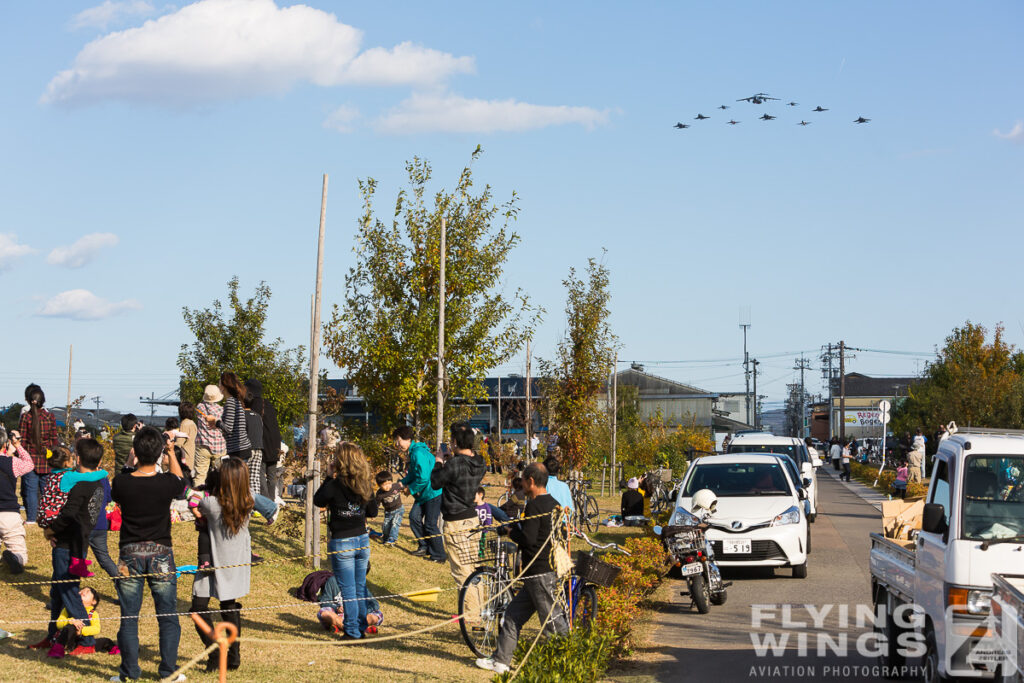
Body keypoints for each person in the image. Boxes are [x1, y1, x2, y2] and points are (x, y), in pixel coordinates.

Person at [109, 426, 186, 683]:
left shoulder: (122, 482)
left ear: (136, 451)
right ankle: (168, 672)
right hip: (161, 551)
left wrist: (130, 461)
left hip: (129, 552)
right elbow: (180, 483)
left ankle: (129, 673)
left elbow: (119, 483)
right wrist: (172, 451)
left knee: (129, 616)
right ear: (159, 454)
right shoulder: (165, 483)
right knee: (167, 614)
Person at [475, 463, 567, 675]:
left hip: (541, 573)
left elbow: (528, 539)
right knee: (512, 615)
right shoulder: (553, 504)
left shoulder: (534, 505)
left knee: (553, 622)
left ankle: (571, 659)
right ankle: (500, 661)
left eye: (523, 480)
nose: (522, 484)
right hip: (538, 574)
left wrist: (509, 531)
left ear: (531, 481)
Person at [36, 440, 106, 656]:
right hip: (79, 542)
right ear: (100, 461)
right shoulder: (99, 482)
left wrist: (51, 531)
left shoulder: (78, 483)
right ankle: (53, 635)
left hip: (67, 543)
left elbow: (68, 514)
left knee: (68, 591)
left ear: (77, 458)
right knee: (57, 591)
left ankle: (87, 639)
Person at [190, 457, 253, 671]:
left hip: (211, 563)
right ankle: (233, 657)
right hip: (235, 564)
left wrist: (203, 488)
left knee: (198, 610)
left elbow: (194, 500)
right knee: (228, 607)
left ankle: (216, 653)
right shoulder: (248, 502)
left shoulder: (212, 504)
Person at [313, 441, 379, 639]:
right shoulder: (365, 484)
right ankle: (359, 628)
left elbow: (318, 501)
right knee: (359, 587)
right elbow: (373, 511)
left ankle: (352, 632)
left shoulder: (334, 485)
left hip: (342, 542)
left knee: (349, 590)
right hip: (362, 540)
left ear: (340, 461)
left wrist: (327, 476)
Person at [431, 422, 487, 591]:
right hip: (472, 518)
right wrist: (451, 458)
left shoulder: (454, 464)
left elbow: (435, 482)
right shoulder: (480, 462)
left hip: (455, 521)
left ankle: (470, 616)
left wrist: (439, 462)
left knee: (462, 572)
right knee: (473, 568)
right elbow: (465, 464)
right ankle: (476, 609)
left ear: (455, 442)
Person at [395, 426, 444, 562]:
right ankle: (424, 546)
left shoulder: (417, 453)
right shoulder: (413, 452)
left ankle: (439, 555)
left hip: (432, 493)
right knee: (414, 518)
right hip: (423, 494)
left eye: (399, 441)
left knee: (430, 525)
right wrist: (402, 482)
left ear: (408, 439)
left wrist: (409, 489)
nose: (397, 445)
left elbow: (423, 478)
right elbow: (413, 474)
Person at [18, 384, 59, 523]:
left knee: (30, 490)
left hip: (30, 458)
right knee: (47, 490)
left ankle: (31, 518)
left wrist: (21, 457)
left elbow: (22, 440)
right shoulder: (50, 417)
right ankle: (48, 517)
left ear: (29, 401)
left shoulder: (25, 417)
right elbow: (54, 440)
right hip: (47, 458)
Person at [244, 379, 281, 503]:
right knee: (271, 476)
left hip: (262, 443)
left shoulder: (253, 404)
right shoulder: (268, 403)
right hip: (275, 444)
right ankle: (272, 499)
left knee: (259, 473)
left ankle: (266, 501)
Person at [0, 427, 31, 573]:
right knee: (20, 553)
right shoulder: (12, 462)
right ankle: (15, 559)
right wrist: (18, 445)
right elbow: (29, 464)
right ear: (5, 444)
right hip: (9, 514)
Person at [48, 586, 102, 659]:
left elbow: (96, 629)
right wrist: (69, 621)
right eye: (81, 590)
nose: (82, 592)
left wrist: (81, 631)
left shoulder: (93, 614)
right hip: (68, 639)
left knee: (104, 641)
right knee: (71, 627)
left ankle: (112, 647)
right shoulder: (68, 609)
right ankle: (58, 649)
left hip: (83, 641)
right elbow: (58, 623)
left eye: (87, 591)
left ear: (94, 601)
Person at [194, 384, 226, 486]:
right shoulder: (222, 410)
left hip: (203, 445)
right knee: (221, 475)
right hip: (219, 446)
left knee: (200, 475)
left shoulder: (200, 408)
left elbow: (200, 405)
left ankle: (196, 499)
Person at [242, 393, 264, 503]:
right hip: (259, 448)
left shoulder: (241, 416)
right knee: (255, 478)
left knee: (242, 478)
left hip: (246, 449)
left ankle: (244, 502)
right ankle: (256, 504)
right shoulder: (258, 416)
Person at [375, 471, 404, 547]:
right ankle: (386, 539)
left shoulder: (395, 486)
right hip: (388, 512)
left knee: (395, 523)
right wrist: (374, 513)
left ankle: (392, 539)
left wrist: (406, 489)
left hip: (399, 509)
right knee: (386, 526)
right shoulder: (379, 494)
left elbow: (403, 487)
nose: (388, 486)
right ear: (379, 485)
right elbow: (377, 504)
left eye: (389, 483)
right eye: (384, 485)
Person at [175, 402, 198, 475]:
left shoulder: (184, 424)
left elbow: (179, 442)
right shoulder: (192, 423)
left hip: (185, 457)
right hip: (192, 455)